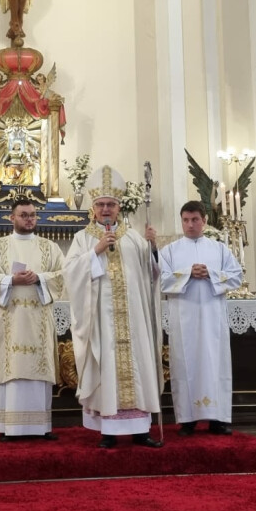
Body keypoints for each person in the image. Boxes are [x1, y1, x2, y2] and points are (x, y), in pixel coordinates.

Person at [64, 166, 163, 449]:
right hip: (101, 321)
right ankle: (108, 430)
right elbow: (70, 274)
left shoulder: (134, 237)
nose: (106, 209)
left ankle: (141, 430)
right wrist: (94, 252)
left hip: (134, 321)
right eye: (100, 204)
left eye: (111, 204)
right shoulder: (83, 239)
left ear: (119, 207)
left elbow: (152, 275)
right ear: (92, 208)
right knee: (106, 367)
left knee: (138, 367)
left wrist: (153, 248)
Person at [0, 198, 65, 440]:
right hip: (10, 319)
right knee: (10, 367)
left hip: (38, 319)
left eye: (33, 215)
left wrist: (40, 278)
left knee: (38, 367)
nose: (29, 219)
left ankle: (40, 426)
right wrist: (10, 281)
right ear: (12, 218)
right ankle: (8, 426)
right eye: (24, 215)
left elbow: (63, 275)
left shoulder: (50, 247)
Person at [159, 200, 242, 436]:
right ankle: (187, 419)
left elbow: (236, 277)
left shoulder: (219, 249)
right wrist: (187, 274)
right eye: (185, 220)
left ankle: (218, 418)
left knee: (216, 363)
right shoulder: (170, 251)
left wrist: (211, 274)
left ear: (204, 221)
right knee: (185, 364)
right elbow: (160, 280)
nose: (190, 224)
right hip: (183, 318)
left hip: (212, 317)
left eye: (195, 219)